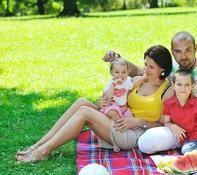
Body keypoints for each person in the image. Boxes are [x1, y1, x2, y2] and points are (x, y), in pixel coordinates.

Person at [15, 45, 173, 163]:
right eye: (145, 64)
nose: (146, 69)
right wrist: (104, 101)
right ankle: (38, 145)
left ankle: (44, 151)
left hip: (133, 133)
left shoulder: (167, 91)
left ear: (163, 70)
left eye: (151, 67)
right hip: (120, 118)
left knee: (85, 112)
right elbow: (119, 94)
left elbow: (166, 125)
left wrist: (138, 122)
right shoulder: (139, 80)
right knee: (81, 102)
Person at [103, 31, 197, 154]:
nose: (183, 56)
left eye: (188, 50)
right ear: (173, 51)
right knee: (147, 143)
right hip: (172, 124)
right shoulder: (171, 67)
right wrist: (117, 59)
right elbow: (139, 70)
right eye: (178, 51)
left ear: (195, 48)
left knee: (148, 142)